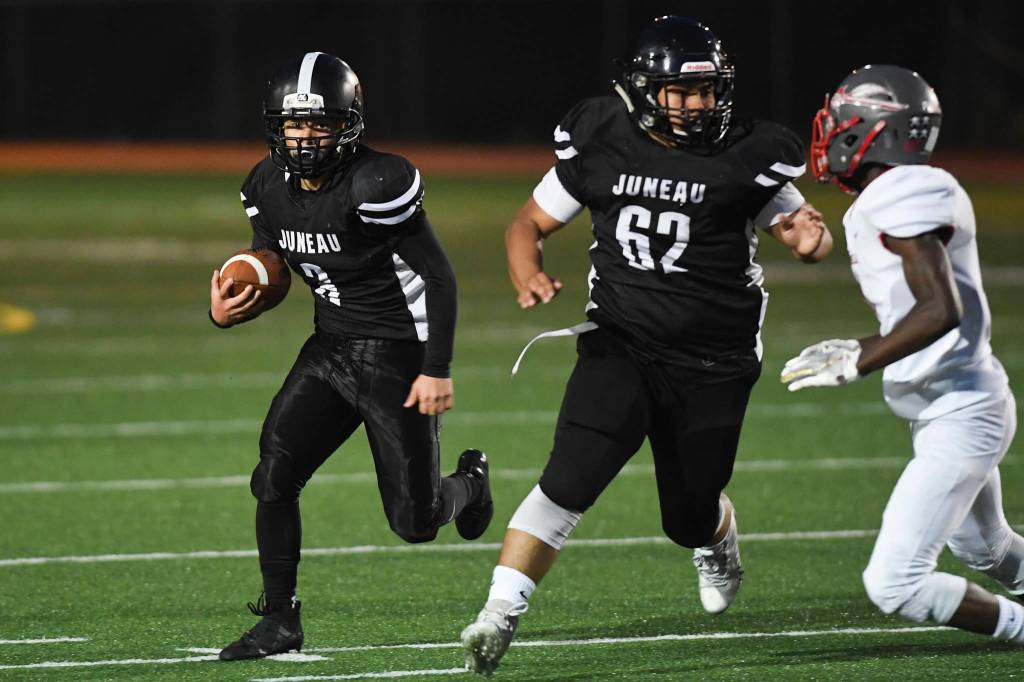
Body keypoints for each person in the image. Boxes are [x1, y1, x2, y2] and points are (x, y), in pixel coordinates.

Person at [460, 16, 832, 676]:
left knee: (686, 516)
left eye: (708, 91)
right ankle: (497, 615)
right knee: (569, 477)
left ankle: (715, 535)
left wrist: (811, 240)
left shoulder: (747, 152)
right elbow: (529, 223)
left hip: (714, 362)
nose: (697, 107)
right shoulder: (602, 137)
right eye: (680, 93)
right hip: (622, 341)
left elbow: (802, 230)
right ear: (639, 91)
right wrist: (527, 270)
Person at [209, 51, 493, 661]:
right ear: (276, 127)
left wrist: (437, 369)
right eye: (295, 125)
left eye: (320, 124)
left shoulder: (376, 182)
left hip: (399, 350)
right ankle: (279, 619)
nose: (306, 138)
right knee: (274, 474)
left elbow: (440, 279)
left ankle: (469, 482)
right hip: (332, 346)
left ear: (348, 124)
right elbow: (273, 262)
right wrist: (234, 303)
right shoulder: (265, 185)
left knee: (414, 522)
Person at [781, 64, 1024, 644]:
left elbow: (940, 308)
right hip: (948, 406)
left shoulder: (908, 188)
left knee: (895, 583)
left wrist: (859, 357)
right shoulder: (898, 190)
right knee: (987, 550)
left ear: (873, 127)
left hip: (962, 412)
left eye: (840, 120)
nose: (830, 132)